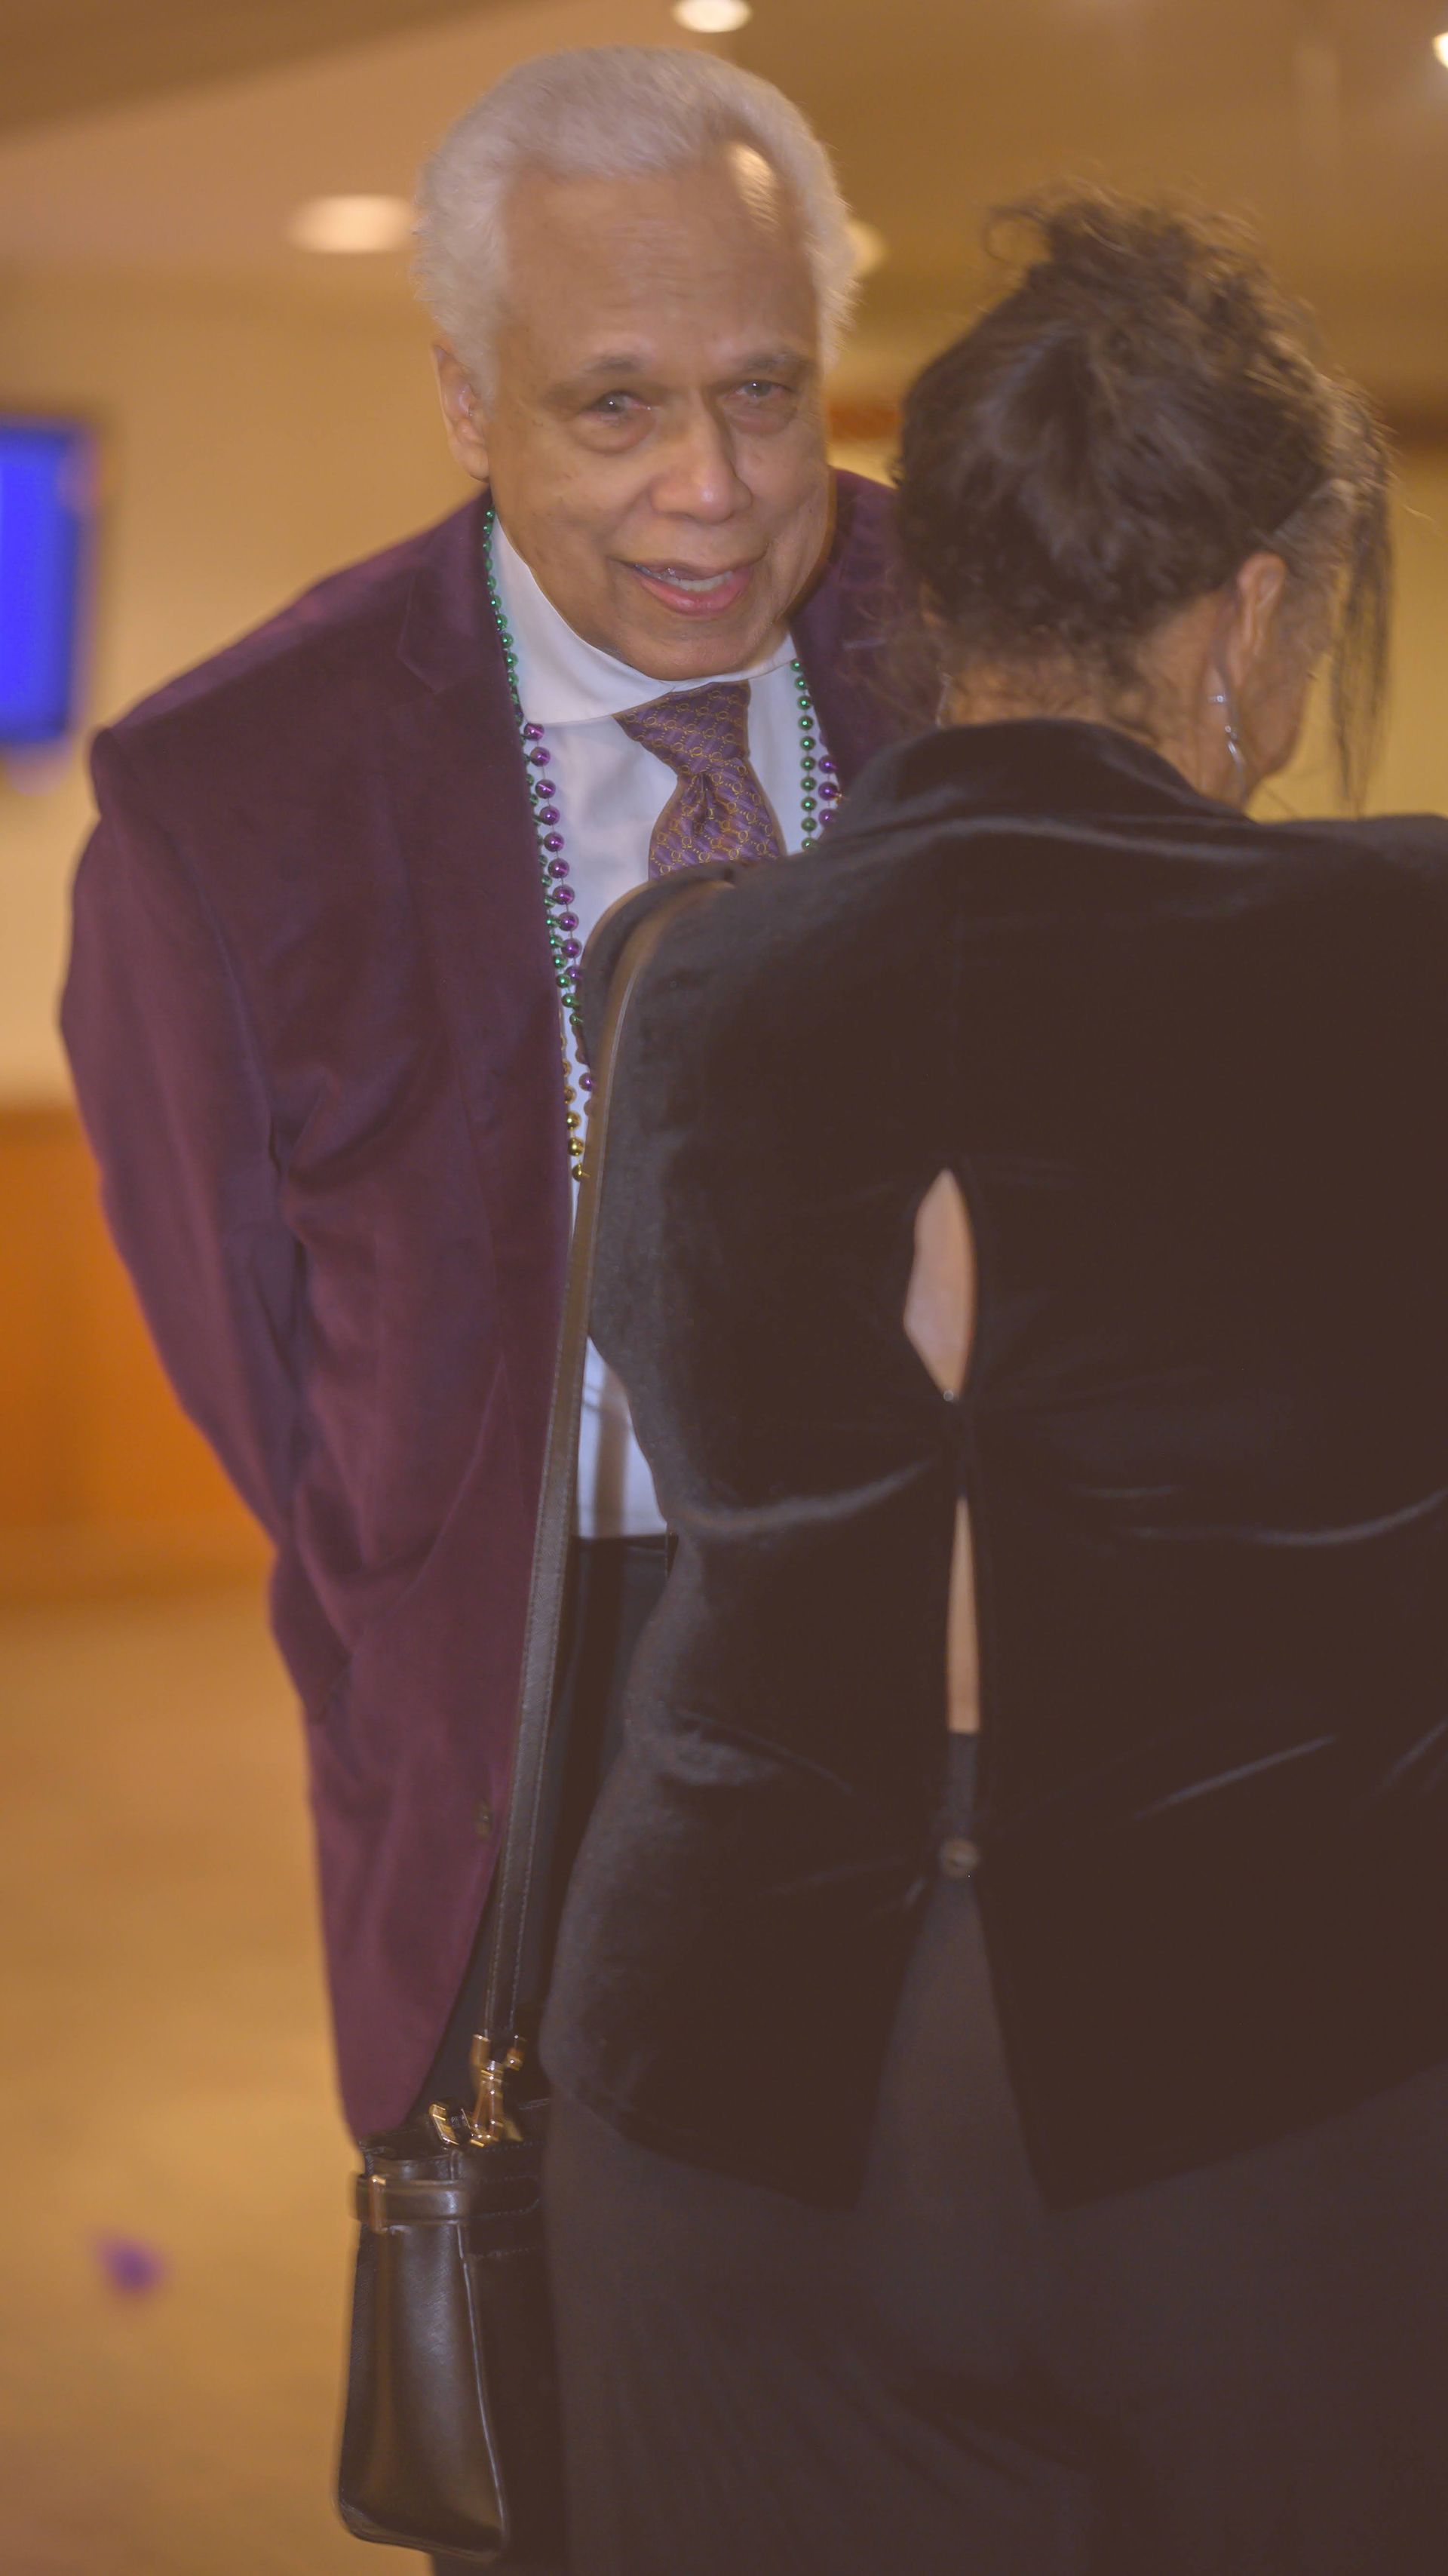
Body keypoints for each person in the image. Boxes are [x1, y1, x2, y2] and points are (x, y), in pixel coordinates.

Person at [539, 194, 1448, 2574]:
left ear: (930, 588)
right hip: (1280, 2083)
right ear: (1254, 605)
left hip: (725, 2080)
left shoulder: (679, 977)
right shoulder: (1407, 947)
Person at [61, 55, 900, 2151]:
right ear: (467, 403)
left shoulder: (980, 644)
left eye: (765, 391)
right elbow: (248, 1354)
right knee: (573, 2324)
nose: (713, 487)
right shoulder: (231, 795)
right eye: (615, 407)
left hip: (953, 1658)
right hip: (533, 1705)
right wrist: (440, 1576)